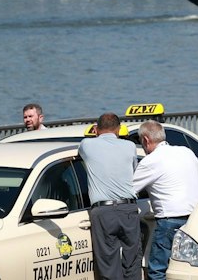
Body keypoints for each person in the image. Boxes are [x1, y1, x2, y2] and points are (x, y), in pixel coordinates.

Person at [130, 121, 198, 280]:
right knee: (191, 270)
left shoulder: (150, 161)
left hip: (169, 222)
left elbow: (128, 192)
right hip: (195, 219)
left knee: (157, 271)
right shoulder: (186, 152)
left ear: (146, 140)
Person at [82, 112, 143, 280]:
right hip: (128, 208)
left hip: (103, 212)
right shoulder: (130, 146)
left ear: (96, 129)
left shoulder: (87, 145)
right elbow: (133, 170)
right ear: (119, 130)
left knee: (108, 263)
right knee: (132, 260)